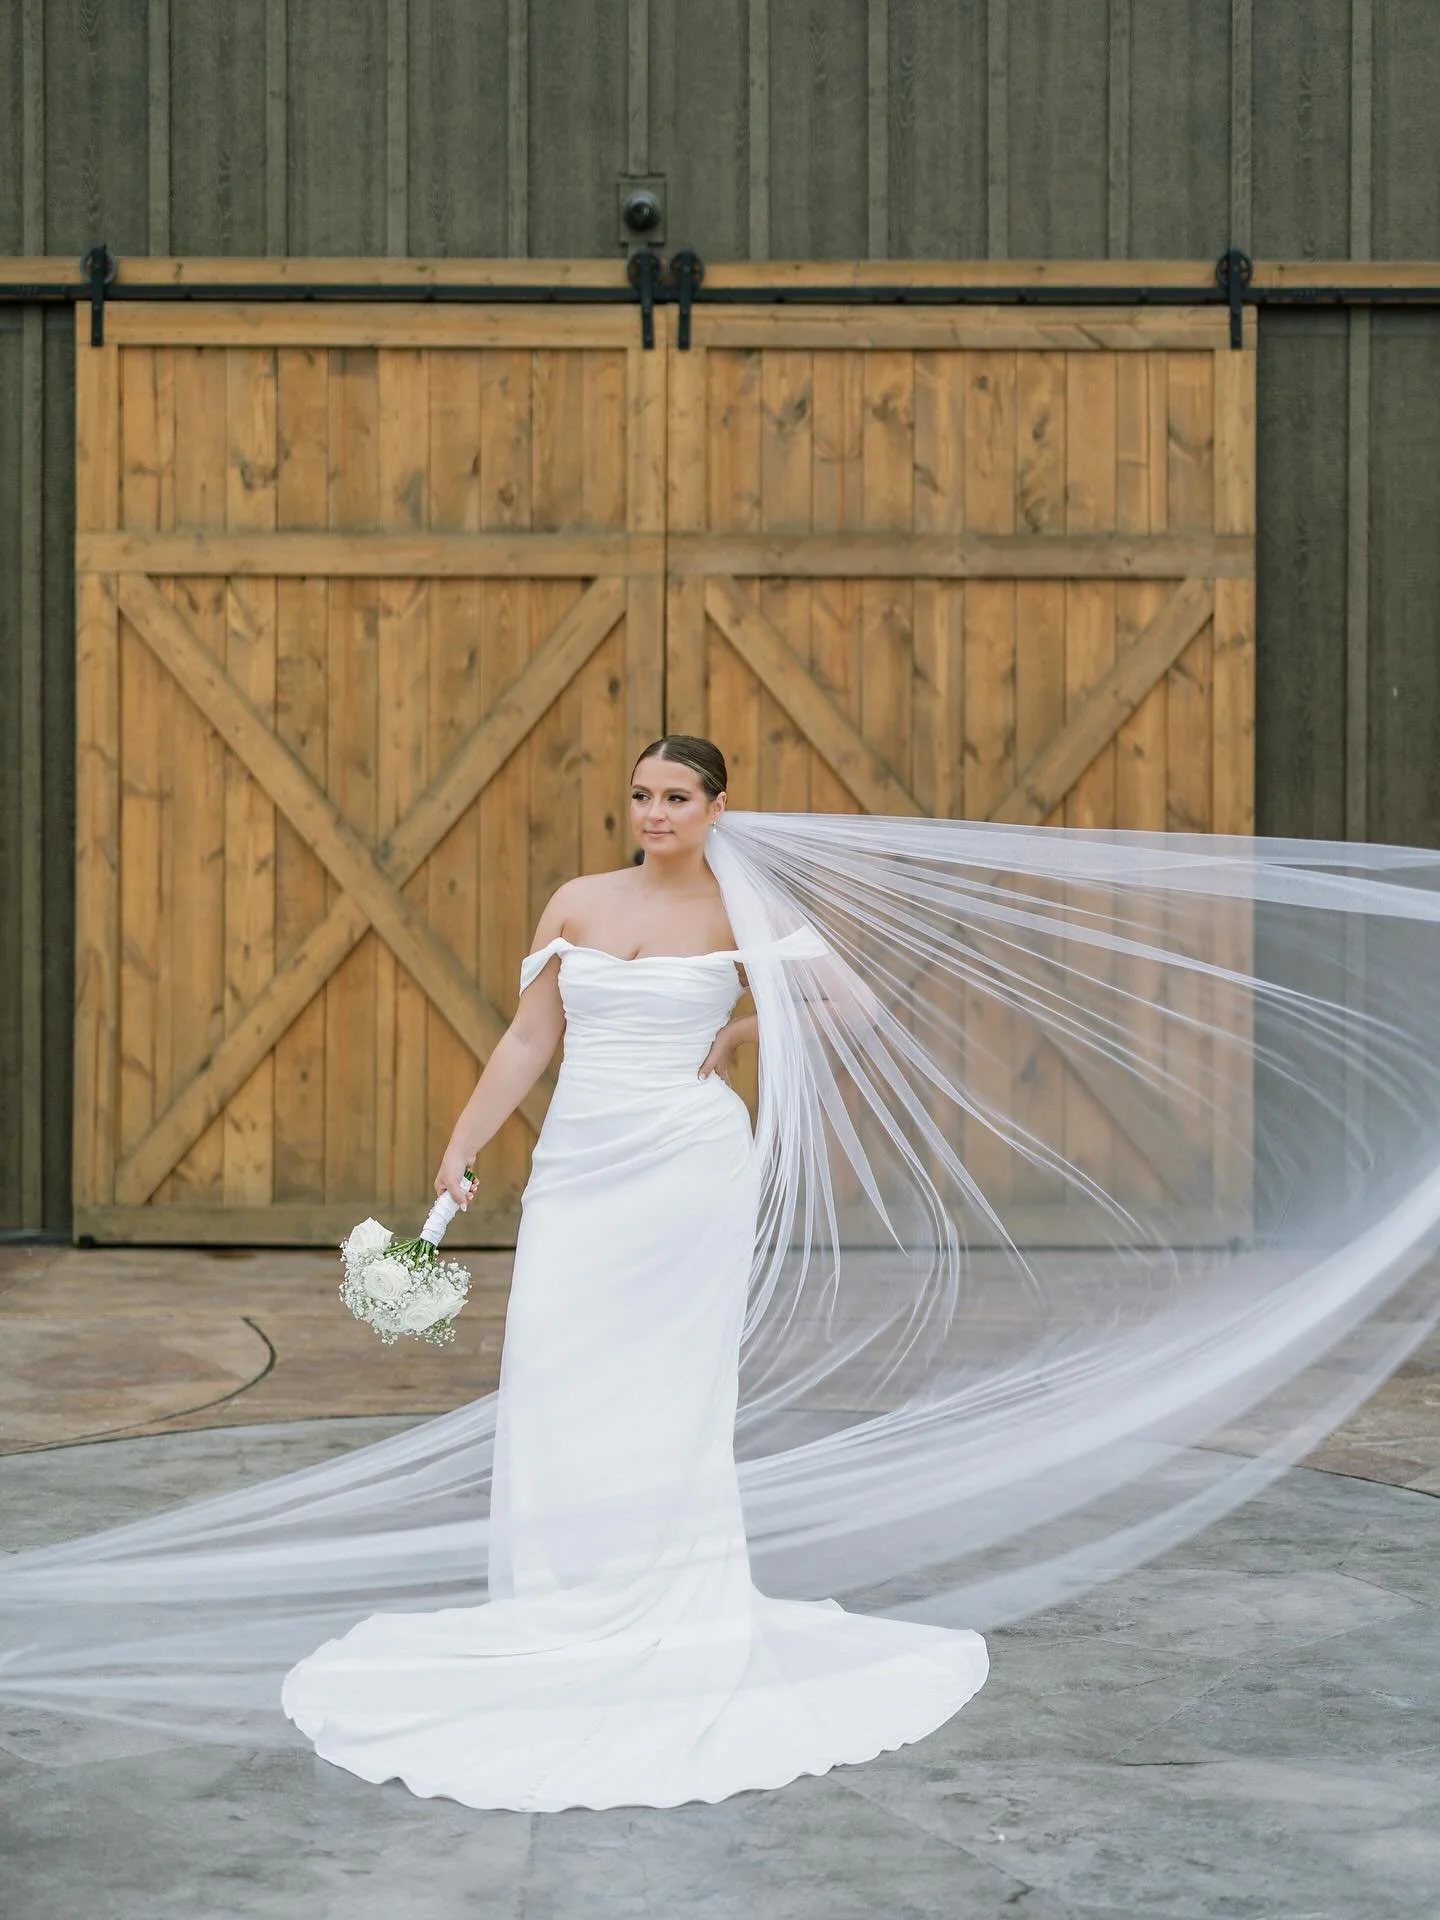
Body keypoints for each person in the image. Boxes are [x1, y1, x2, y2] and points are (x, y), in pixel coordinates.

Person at [279, 737, 990, 1810]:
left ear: (716, 809)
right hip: (579, 1165)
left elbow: (854, 1006)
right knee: (555, 1369)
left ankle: (669, 1592)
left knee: (671, 1383)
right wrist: (463, 1142)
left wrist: (742, 1029)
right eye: (642, 795)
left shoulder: (740, 909)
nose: (655, 813)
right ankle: (559, 1592)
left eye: (677, 798)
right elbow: (532, 1038)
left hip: (689, 1166)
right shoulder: (577, 900)